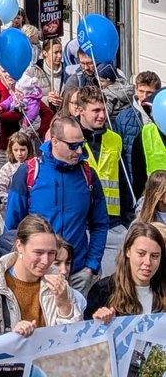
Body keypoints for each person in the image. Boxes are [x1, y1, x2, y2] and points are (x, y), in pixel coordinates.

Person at [4, 115, 108, 292]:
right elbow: (12, 227)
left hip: (77, 273)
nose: (79, 151)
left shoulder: (88, 175)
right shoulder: (28, 172)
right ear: (55, 142)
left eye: (81, 144)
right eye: (73, 145)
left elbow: (100, 224)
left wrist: (91, 266)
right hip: (37, 274)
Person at [0, 214, 82, 338]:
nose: (45, 261)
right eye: (38, 252)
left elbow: (74, 339)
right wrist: (12, 337)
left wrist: (64, 305)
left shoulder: (59, 285)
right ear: (19, 246)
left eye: (51, 253)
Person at [75, 84, 133, 277]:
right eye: (96, 111)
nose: (102, 115)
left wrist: (127, 220)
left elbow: (124, 182)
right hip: (82, 223)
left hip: (112, 223)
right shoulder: (70, 139)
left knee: (111, 282)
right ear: (81, 110)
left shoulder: (115, 139)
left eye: (103, 110)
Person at [85, 222, 166, 320]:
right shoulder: (103, 291)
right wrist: (97, 322)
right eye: (141, 254)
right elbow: (87, 327)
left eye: (155, 256)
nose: (147, 262)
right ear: (128, 251)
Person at [115, 70, 161, 186]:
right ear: (136, 90)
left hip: (158, 179)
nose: (144, 96)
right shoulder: (123, 118)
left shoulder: (161, 116)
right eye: (141, 91)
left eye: (149, 93)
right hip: (133, 180)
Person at [0, 132, 36, 209]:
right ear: (11, 151)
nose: (19, 153)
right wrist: (12, 201)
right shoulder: (7, 169)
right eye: (16, 150)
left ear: (29, 149)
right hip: (14, 207)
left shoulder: (35, 166)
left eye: (22, 150)